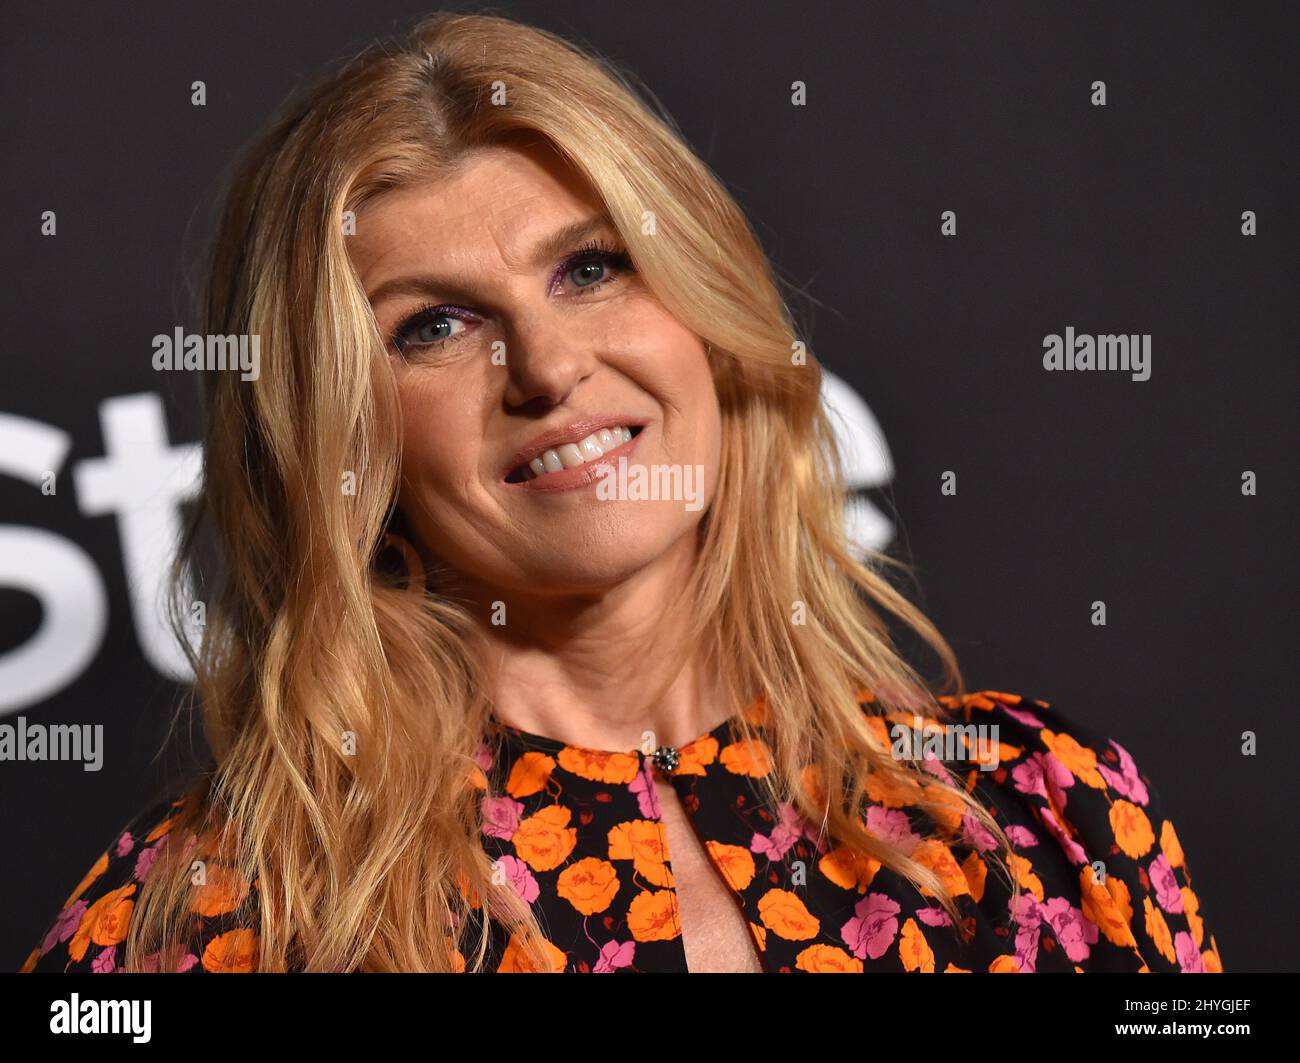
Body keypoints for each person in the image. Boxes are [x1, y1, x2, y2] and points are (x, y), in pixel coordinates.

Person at [23, 12, 1221, 974]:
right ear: (339, 436)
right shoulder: (207, 921)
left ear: (704, 299)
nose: (546, 369)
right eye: (432, 327)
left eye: (591, 268)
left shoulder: (1044, 814)